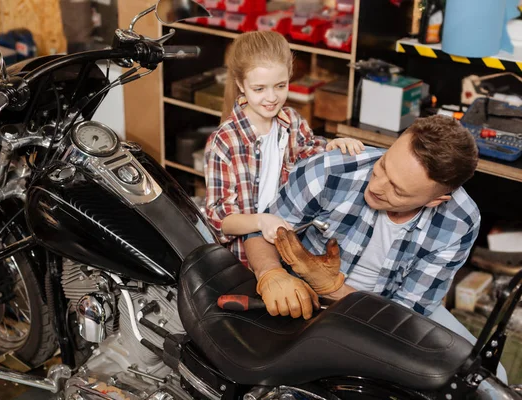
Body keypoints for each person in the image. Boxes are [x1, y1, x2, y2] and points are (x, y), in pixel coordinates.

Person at [244, 114, 509, 382]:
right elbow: (258, 231)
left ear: (435, 201)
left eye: (398, 190)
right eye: (383, 165)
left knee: (491, 377)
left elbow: (405, 313)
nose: (377, 185)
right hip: (306, 295)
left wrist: (335, 288)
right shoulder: (330, 170)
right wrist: (271, 274)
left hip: (390, 312)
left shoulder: (459, 221)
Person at [204, 31, 364, 267]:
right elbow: (220, 219)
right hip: (244, 262)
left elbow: (310, 152)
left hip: (291, 249)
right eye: (259, 89)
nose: (271, 98)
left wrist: (334, 145)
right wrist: (261, 221)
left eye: (280, 85)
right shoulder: (224, 141)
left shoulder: (292, 122)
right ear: (240, 84)